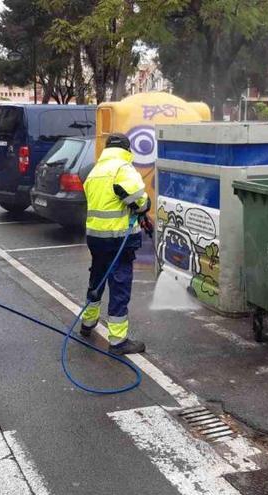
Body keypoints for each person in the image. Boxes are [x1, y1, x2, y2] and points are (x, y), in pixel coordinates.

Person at [80, 133, 151, 355]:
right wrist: (143, 205)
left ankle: (87, 323)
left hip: (96, 238)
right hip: (118, 238)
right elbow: (140, 200)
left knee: (97, 279)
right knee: (119, 285)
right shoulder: (122, 168)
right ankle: (118, 341)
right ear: (126, 149)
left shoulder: (95, 171)